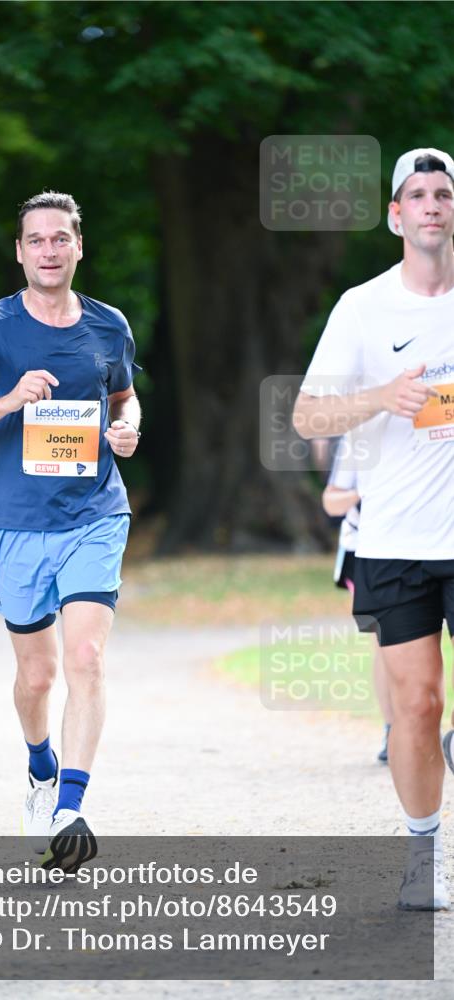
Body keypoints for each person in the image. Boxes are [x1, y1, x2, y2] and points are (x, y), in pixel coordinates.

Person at [0, 191, 141, 872]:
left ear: (78, 247)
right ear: (19, 252)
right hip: (18, 526)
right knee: (36, 673)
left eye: (60, 238)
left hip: (95, 514)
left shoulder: (109, 326)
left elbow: (122, 396)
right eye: (36, 240)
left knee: (84, 659)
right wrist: (9, 400)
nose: (49, 250)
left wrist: (128, 425)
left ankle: (71, 807)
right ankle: (40, 766)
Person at [293, 148, 454, 911]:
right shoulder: (361, 307)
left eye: (442, 194)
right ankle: (423, 854)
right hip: (393, 539)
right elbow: (306, 416)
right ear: (395, 215)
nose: (430, 205)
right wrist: (380, 396)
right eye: (416, 195)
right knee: (417, 707)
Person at [322, 435, 393, 762]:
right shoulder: (360, 434)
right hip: (364, 550)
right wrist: (365, 495)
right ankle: (393, 729)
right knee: (385, 640)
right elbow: (332, 501)